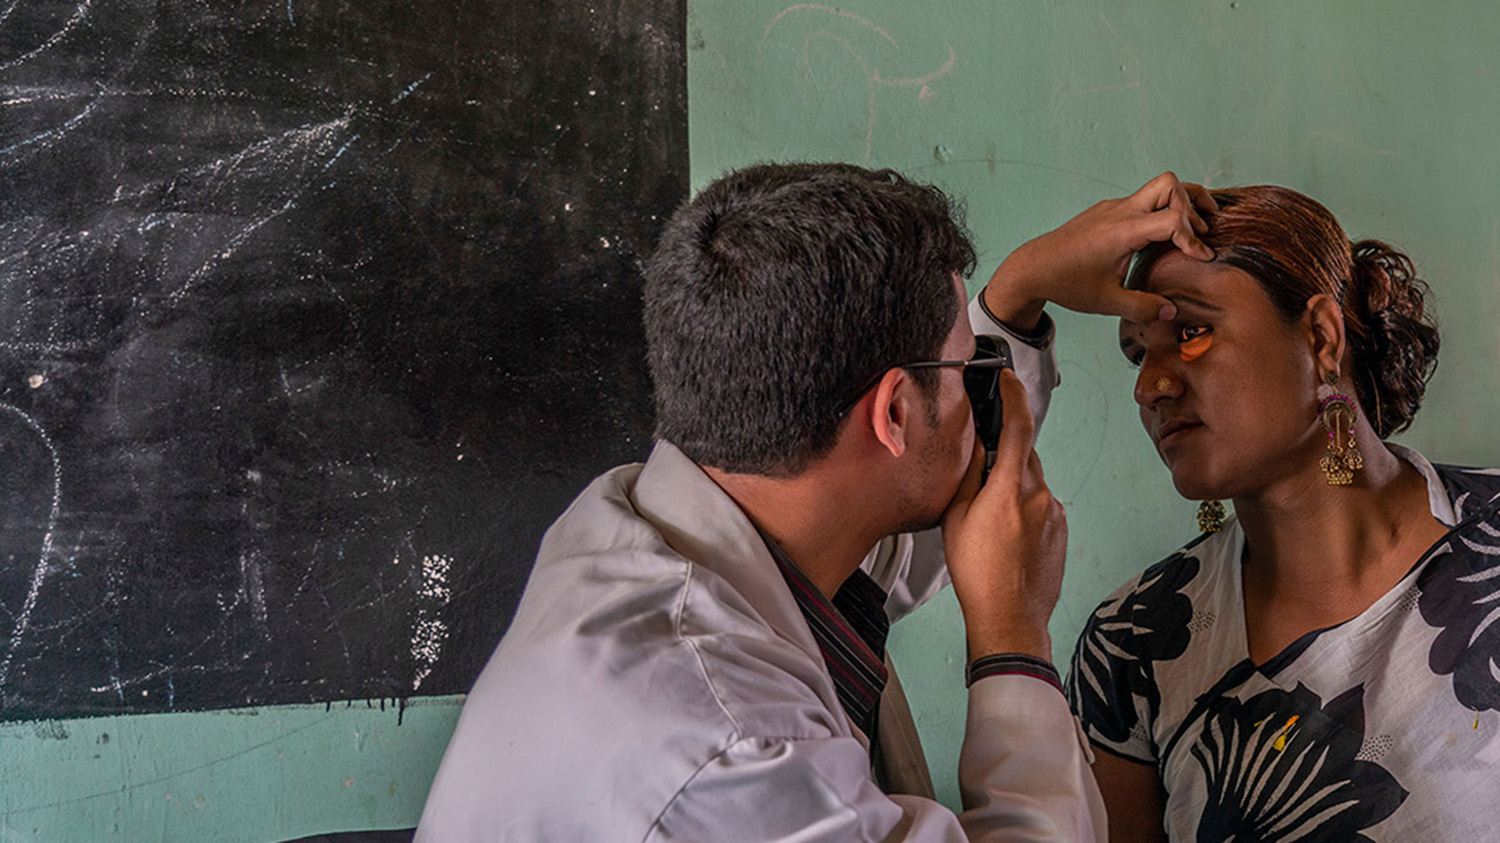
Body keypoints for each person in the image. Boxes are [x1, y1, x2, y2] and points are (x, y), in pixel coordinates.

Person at [415, 164, 1215, 841]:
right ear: (895, 412)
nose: (982, 386)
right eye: (968, 365)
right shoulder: (733, 747)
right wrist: (1012, 639)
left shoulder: (632, 526)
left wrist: (1019, 298)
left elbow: (885, 541)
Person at [1066, 185, 1500, 841]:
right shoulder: (1135, 646)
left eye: (1191, 332)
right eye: (1137, 352)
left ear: (1321, 338)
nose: (1149, 385)